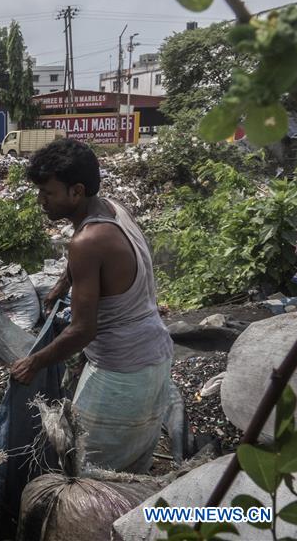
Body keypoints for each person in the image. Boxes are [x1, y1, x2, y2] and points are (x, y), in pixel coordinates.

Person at [9, 138, 174, 473]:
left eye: (48, 192)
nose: (41, 201)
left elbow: (83, 329)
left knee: (87, 479)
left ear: (76, 191)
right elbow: (88, 261)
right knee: (129, 476)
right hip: (154, 358)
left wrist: (34, 362)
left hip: (122, 374)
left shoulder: (87, 242)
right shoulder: (111, 209)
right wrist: (62, 283)